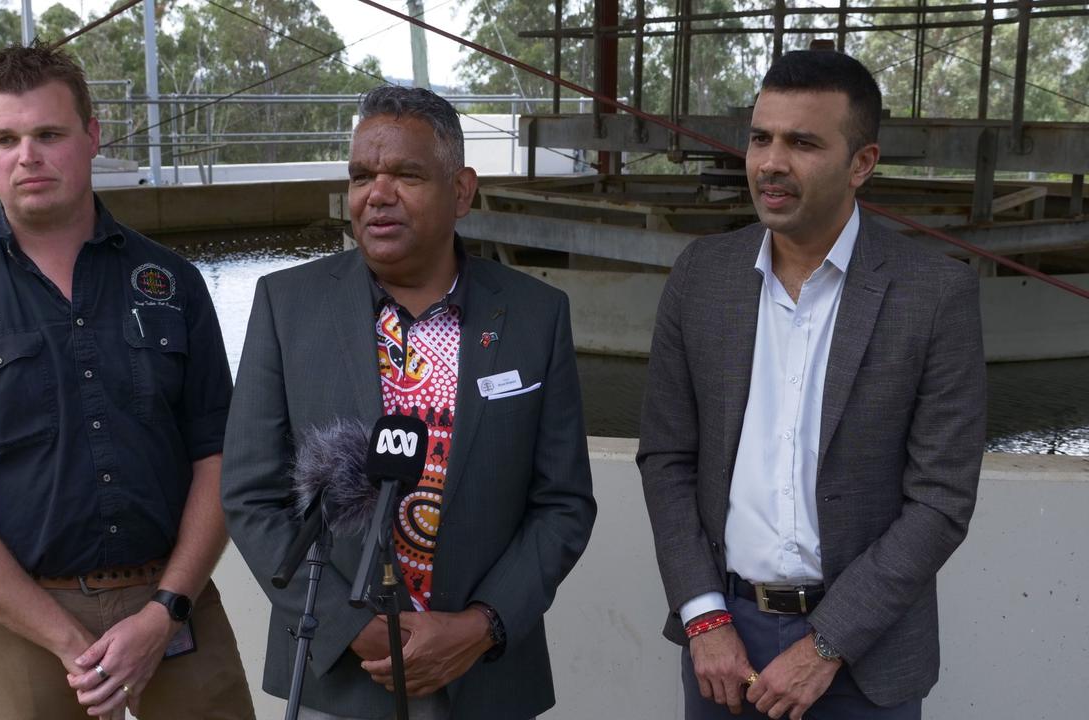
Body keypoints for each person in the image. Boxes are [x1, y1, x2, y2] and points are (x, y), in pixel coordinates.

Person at [0, 44, 254, 720]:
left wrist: (165, 612)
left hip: (171, 603)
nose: (28, 155)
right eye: (5, 138)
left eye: (49, 134)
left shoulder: (172, 284)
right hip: (24, 617)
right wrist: (65, 641)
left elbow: (219, 458)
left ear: (91, 137)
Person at [221, 85, 597, 720]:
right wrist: (352, 627)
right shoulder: (287, 305)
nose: (378, 193)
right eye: (362, 174)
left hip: (483, 677)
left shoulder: (536, 316)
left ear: (462, 190)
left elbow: (561, 504)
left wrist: (481, 625)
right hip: (338, 676)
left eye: (406, 173)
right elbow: (252, 495)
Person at [637, 50, 986, 720]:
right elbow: (666, 459)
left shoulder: (934, 293)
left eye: (802, 143)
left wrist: (827, 644)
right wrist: (702, 615)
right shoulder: (701, 277)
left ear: (861, 163)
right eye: (760, 138)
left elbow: (940, 500)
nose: (770, 162)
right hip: (723, 645)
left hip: (865, 651)